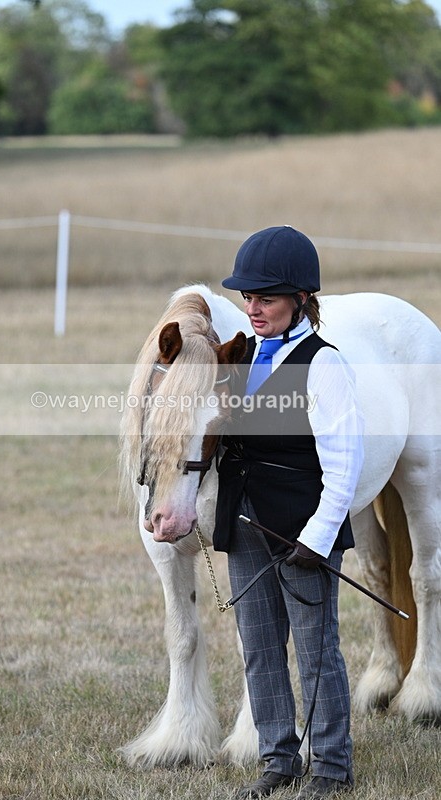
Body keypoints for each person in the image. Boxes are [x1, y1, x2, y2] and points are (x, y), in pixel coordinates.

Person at [213, 225, 364, 800]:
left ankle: (331, 766)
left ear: (301, 299)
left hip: (302, 527)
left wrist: (317, 537)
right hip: (245, 521)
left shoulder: (324, 365)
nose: (253, 309)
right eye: (248, 298)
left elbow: (344, 464)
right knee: (258, 647)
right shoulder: (241, 356)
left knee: (316, 649)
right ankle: (279, 758)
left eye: (266, 299)